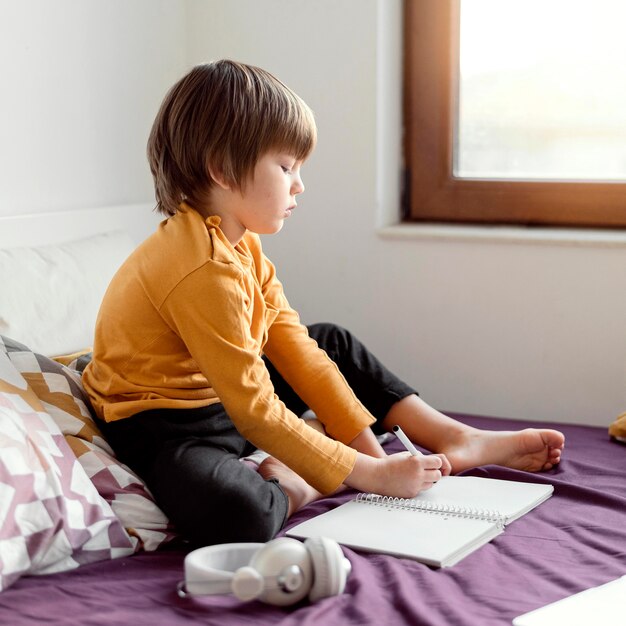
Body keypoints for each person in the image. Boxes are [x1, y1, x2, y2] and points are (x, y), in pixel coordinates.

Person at [82, 60, 564, 546]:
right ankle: (296, 479)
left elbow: (296, 350)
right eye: (287, 167)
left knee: (328, 341)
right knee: (236, 515)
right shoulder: (199, 267)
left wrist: (376, 460)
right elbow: (254, 410)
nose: (299, 184)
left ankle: (451, 435)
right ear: (223, 170)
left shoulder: (240, 244)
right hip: (166, 423)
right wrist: (367, 475)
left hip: (222, 398)